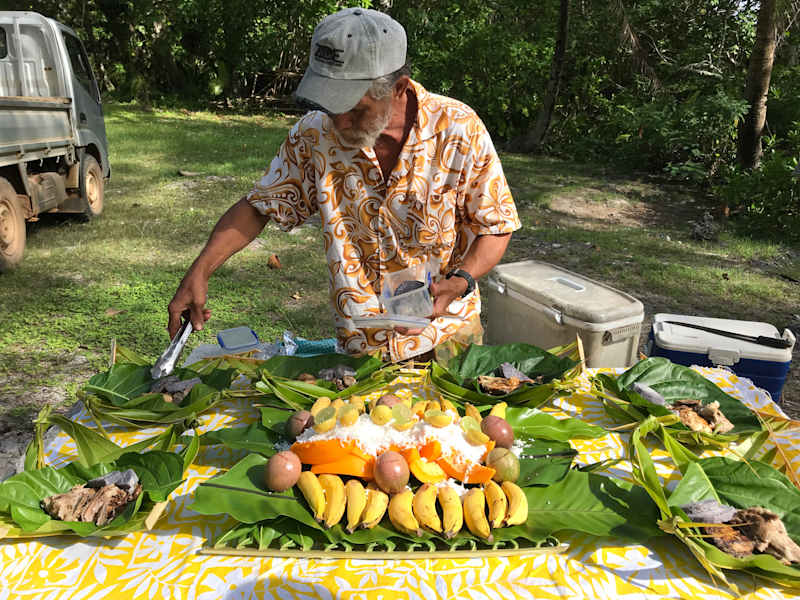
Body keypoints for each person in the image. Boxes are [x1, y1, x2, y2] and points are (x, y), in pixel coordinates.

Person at [167, 7, 520, 362]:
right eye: (329, 105)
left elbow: (496, 225)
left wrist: (459, 281)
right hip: (360, 349)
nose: (338, 121)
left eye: (354, 109)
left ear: (397, 88)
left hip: (446, 339)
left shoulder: (458, 129)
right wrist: (200, 270)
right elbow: (261, 206)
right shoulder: (314, 134)